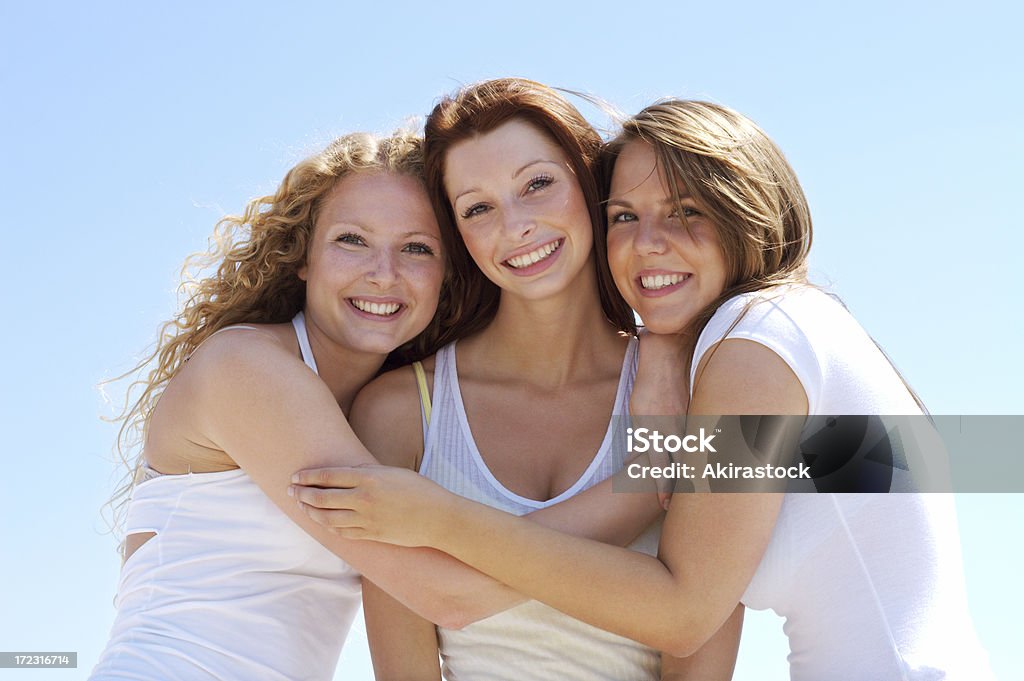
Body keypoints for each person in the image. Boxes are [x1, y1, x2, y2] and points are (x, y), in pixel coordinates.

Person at [293, 101, 993, 679]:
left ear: (747, 208)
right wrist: (665, 362)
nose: (651, 241)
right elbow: (944, 462)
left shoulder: (750, 353)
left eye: (685, 211)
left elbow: (687, 613)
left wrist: (439, 516)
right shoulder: (758, 348)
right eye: (628, 214)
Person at [90, 128, 655, 681]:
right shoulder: (244, 369)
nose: (383, 275)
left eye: (416, 248)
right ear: (302, 256)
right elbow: (447, 594)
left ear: (447, 274)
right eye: (352, 240)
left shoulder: (386, 407)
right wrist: (667, 476)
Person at [301, 78, 684, 680]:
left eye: (537, 184)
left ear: (588, 183)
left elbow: (875, 459)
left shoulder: (693, 381)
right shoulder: (401, 413)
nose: (516, 227)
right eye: (478, 208)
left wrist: (670, 340)